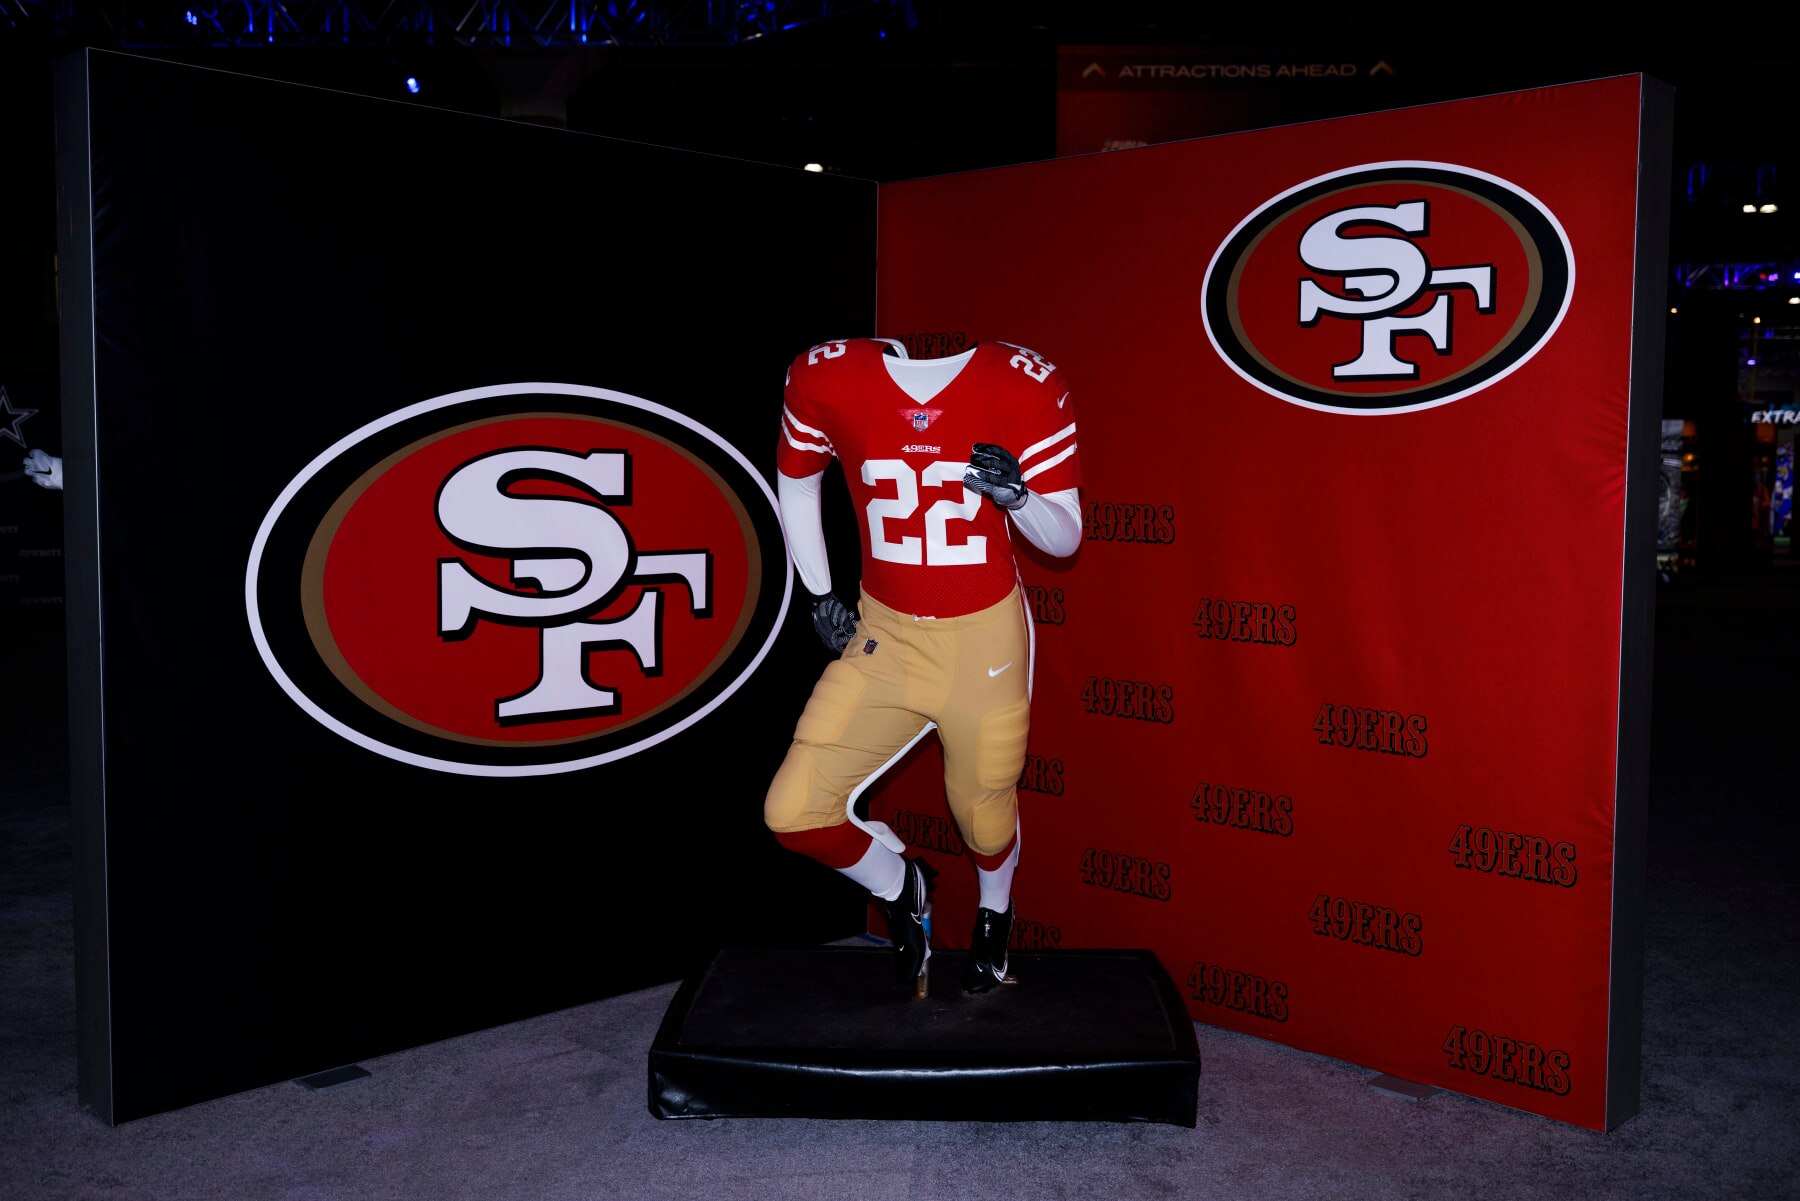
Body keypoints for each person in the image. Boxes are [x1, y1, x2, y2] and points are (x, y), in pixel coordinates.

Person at [764, 337, 1082, 996]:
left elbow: (1066, 535)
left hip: (981, 639)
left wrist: (1019, 499)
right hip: (887, 634)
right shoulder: (828, 377)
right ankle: (900, 882)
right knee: (793, 809)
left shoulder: (1020, 383)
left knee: (983, 811)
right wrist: (818, 589)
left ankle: (995, 912)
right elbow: (796, 478)